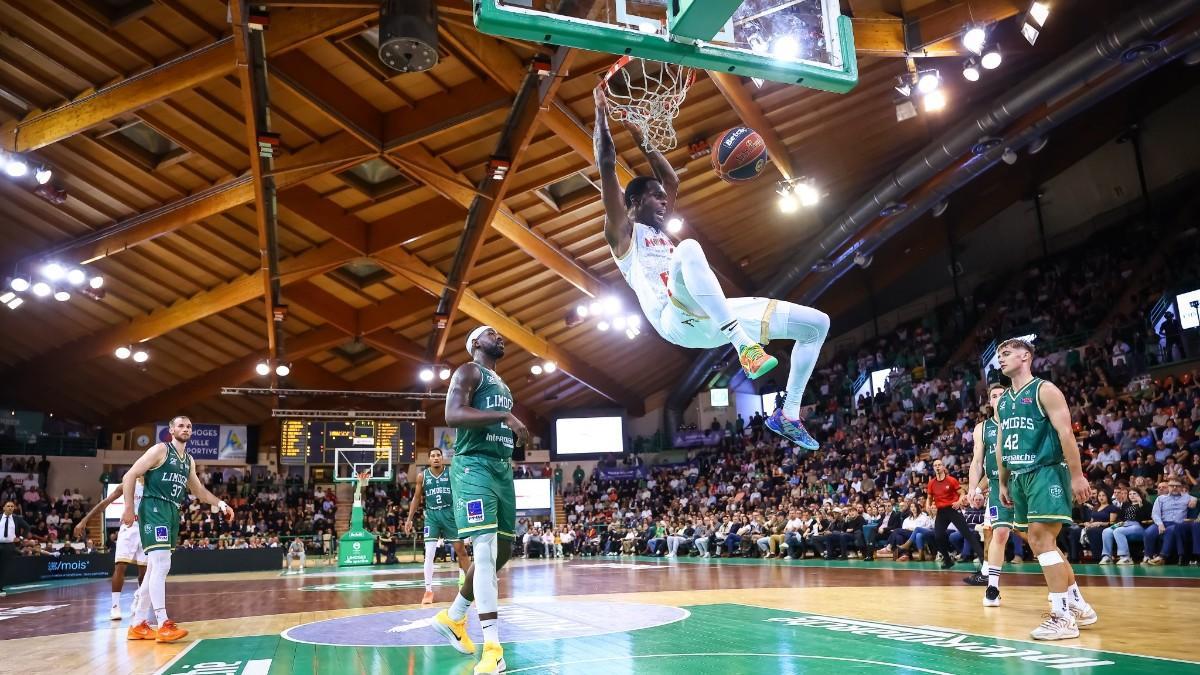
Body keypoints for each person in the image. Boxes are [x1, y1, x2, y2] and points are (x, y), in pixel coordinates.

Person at [593, 88, 829, 451]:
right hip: (674, 320)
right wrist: (600, 114)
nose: (664, 200)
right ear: (635, 202)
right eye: (655, 197)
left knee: (816, 325)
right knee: (687, 247)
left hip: (711, 318)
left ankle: (789, 414)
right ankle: (744, 348)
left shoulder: (659, 226)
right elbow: (607, 164)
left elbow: (671, 182)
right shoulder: (622, 234)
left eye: (662, 197)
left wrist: (643, 140)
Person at [432, 326, 529, 675]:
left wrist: (514, 436)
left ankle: (454, 617)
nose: (500, 336)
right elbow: (453, 416)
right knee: (485, 550)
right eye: (491, 333)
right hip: (473, 468)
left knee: (502, 551)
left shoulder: (502, 385)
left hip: (501, 470)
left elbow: (496, 425)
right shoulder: (469, 371)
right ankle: (493, 649)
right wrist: (504, 416)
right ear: (475, 343)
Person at [995, 339, 1097, 640]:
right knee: (1041, 541)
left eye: (1007, 353)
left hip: (1047, 471)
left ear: (1026, 356)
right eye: (999, 355)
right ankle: (1078, 603)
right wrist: (1002, 480)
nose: (1001, 359)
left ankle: (1062, 616)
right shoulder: (1003, 401)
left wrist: (1077, 476)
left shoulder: (1045, 390)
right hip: (1019, 476)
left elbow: (1066, 433)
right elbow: (1002, 443)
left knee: (1041, 539)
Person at [122, 416, 234, 643]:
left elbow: (200, 492)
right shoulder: (160, 450)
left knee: (154, 567)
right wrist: (127, 508)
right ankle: (163, 623)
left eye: (189, 426)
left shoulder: (188, 461)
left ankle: (137, 624)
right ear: (171, 430)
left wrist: (221, 504)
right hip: (154, 507)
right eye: (181, 425)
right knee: (162, 564)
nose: (185, 429)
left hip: (172, 511)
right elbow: (130, 474)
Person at [405, 448, 470, 604]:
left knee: (461, 550)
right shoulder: (422, 476)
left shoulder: (451, 473)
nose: (435, 458)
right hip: (432, 516)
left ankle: (467, 584)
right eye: (433, 456)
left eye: (438, 455)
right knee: (429, 554)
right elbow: (416, 498)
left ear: (442, 458)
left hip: (450, 514)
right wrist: (409, 519)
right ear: (429, 459)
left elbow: (462, 491)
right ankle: (428, 591)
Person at [968, 382, 1014, 602]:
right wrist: (972, 488)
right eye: (994, 395)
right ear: (990, 402)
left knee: (1035, 536)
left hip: (1023, 481)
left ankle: (1062, 588)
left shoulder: (1018, 422)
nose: (998, 398)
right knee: (1000, 533)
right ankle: (992, 588)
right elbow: (978, 462)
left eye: (1001, 394)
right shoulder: (982, 428)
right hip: (996, 485)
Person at [76, 482, 148, 620]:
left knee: (144, 572)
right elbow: (105, 503)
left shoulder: (154, 482)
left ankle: (139, 598)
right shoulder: (127, 483)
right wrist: (84, 521)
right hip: (129, 526)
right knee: (120, 566)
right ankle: (115, 606)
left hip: (146, 527)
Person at [927, 458, 985, 573]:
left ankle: (984, 560)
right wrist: (927, 505)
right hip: (941, 511)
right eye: (935, 465)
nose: (937, 467)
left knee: (967, 534)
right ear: (933, 468)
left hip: (953, 509)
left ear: (943, 467)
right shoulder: (931, 483)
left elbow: (962, 492)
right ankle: (948, 560)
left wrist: (959, 502)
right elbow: (929, 497)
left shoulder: (951, 480)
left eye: (939, 465)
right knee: (938, 536)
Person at [0, 500, 30, 597]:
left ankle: (0, 587)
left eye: (12, 506)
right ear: (3, 507)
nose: (10, 508)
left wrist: (21, 538)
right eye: (8, 506)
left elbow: (27, 527)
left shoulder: (17, 518)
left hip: (9, 546)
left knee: (3, 567)